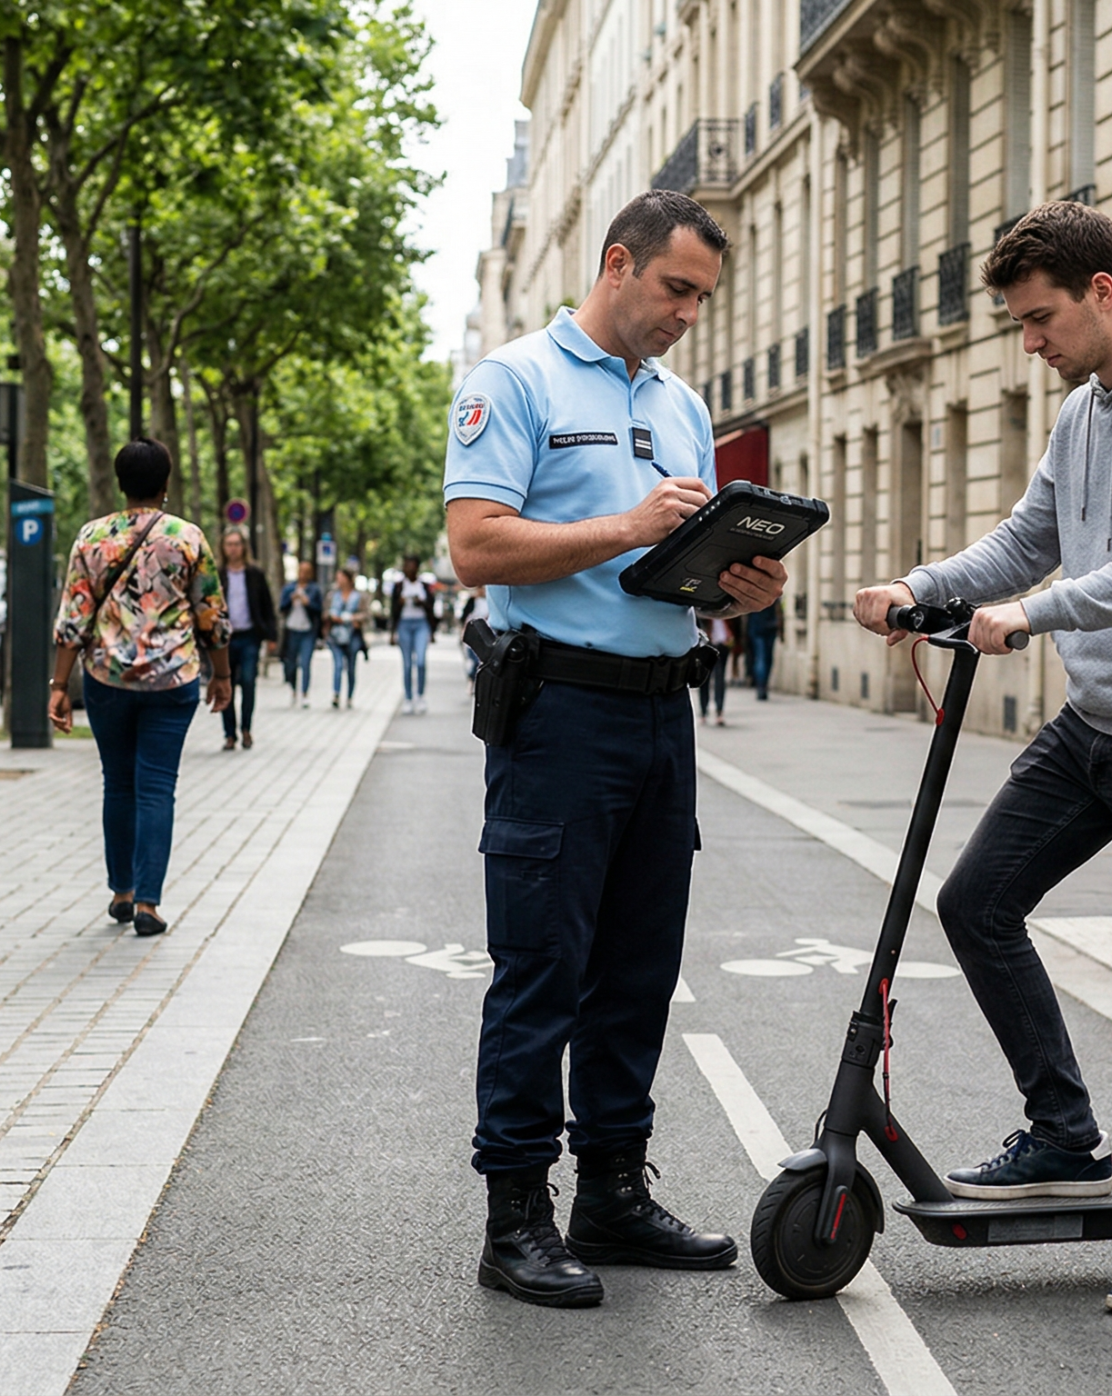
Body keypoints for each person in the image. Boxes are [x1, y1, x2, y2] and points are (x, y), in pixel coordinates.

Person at [854, 201, 1112, 1316]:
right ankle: (1064, 1132)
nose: (1028, 344)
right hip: (1099, 720)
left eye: (1039, 321)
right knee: (976, 901)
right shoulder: (1083, 412)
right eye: (1019, 326)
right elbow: (1030, 536)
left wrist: (1033, 617)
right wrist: (923, 589)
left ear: (1100, 291)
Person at [444, 190, 786, 1309]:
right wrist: (628, 527)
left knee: (639, 968)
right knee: (543, 965)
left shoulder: (683, 405)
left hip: (660, 710)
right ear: (616, 263)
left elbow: (672, 567)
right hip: (558, 716)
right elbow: (475, 546)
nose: (689, 312)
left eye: (702, 297)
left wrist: (737, 583)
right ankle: (513, 1218)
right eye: (676, 288)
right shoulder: (515, 381)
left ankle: (612, 1193)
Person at [48, 439, 230, 940]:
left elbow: (74, 617)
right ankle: (149, 902)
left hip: (107, 680)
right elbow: (210, 613)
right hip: (172, 680)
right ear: (166, 483)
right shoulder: (187, 537)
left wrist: (59, 685)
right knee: (156, 786)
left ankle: (121, 892)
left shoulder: (91, 538)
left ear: (119, 482)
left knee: (118, 782)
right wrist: (223, 674)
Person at [219, 531, 277, 750]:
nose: (233, 548)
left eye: (237, 544)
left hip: (250, 636)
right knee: (227, 685)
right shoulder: (218, 574)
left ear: (244, 547)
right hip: (225, 638)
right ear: (223, 547)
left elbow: (267, 605)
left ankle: (246, 729)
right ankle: (229, 733)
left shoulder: (255, 574)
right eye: (229, 544)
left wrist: (272, 635)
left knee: (249, 681)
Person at [386, 553, 439, 715]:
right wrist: (392, 631)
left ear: (417, 567)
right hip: (404, 625)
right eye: (406, 565)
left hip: (421, 625)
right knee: (407, 664)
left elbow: (432, 606)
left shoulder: (423, 586)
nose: (408, 568)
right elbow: (393, 611)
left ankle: (420, 696)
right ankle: (408, 698)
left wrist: (421, 602)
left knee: (421, 661)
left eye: (411, 565)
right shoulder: (399, 586)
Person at [276, 561, 320, 709]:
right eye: (301, 570)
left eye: (307, 571)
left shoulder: (314, 590)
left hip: (307, 631)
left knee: (306, 662)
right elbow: (281, 607)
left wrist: (308, 602)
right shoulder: (289, 588)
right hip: (291, 630)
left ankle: (305, 693)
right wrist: (291, 599)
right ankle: (294, 689)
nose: (303, 574)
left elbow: (319, 610)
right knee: (290, 663)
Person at [324, 567, 364, 708]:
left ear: (348, 579)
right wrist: (331, 616)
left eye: (340, 577)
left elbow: (366, 615)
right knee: (338, 664)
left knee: (351, 668)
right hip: (335, 635)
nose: (338, 580)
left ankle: (349, 696)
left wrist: (352, 617)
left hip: (352, 635)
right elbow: (325, 612)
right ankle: (336, 694)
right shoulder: (332, 595)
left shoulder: (358, 596)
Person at [696, 615, 731, 725]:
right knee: (704, 679)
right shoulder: (702, 609)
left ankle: (719, 711)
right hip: (707, 645)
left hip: (722, 645)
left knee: (720, 679)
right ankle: (703, 712)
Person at [746, 602, 780, 700]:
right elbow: (778, 609)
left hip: (757, 626)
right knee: (767, 658)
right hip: (769, 625)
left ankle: (761, 686)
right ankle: (763, 685)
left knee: (760, 658)